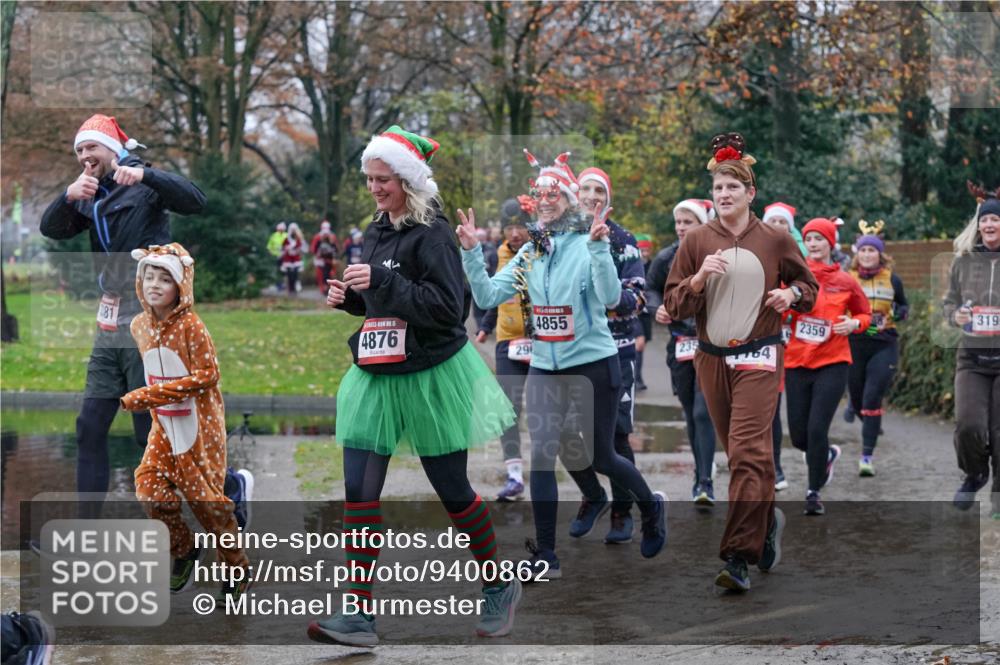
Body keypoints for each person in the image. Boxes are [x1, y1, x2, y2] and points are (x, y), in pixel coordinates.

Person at [309, 126, 520, 647]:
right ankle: (359, 613)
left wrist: (381, 282)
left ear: (407, 179)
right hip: (375, 374)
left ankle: (498, 583)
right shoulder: (375, 230)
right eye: (370, 179)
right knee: (359, 490)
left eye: (384, 179)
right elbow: (381, 301)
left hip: (431, 373)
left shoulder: (434, 234)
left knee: (451, 490)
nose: (375, 189)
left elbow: (450, 311)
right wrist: (352, 299)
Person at [459, 150, 667, 577]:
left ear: (569, 200)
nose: (546, 199)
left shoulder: (591, 239)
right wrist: (469, 253)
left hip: (593, 364)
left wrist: (597, 249)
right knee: (543, 456)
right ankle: (546, 557)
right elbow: (487, 297)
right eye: (540, 194)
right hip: (544, 366)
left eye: (555, 192)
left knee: (602, 457)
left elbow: (612, 299)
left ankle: (650, 506)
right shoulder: (532, 250)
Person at [38, 114, 215, 517]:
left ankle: (221, 493)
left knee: (149, 432)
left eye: (91, 148)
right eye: (79, 150)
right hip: (109, 322)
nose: (84, 156)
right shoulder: (89, 194)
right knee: (89, 426)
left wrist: (148, 178)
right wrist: (65, 197)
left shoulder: (141, 183)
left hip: (150, 320)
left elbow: (197, 201)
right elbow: (53, 229)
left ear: (112, 151)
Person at [664, 133, 818, 592]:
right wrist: (696, 280)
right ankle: (765, 522)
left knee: (749, 453)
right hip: (711, 359)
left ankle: (737, 558)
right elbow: (674, 306)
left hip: (760, 353)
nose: (724, 194)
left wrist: (790, 293)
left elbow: (809, 290)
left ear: (751, 193)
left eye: (733, 187)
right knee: (740, 455)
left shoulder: (775, 239)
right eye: (717, 188)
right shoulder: (695, 240)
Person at [120, 243, 252, 601]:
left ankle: (237, 566)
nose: (155, 285)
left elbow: (208, 375)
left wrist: (147, 396)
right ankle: (184, 549)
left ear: (181, 286)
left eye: (165, 278)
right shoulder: (139, 326)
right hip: (163, 429)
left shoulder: (192, 327)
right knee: (148, 489)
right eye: (149, 276)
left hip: (199, 430)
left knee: (208, 506)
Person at [558, 166, 649, 544]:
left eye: (599, 190)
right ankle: (592, 495)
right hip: (568, 352)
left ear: (607, 199)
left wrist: (604, 301)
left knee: (614, 437)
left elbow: (637, 298)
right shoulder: (558, 238)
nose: (592, 195)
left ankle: (622, 511)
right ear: (575, 196)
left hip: (615, 351)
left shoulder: (623, 240)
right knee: (561, 433)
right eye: (585, 189)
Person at [784, 218, 871, 516]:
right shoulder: (795, 276)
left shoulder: (845, 281)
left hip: (833, 363)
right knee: (798, 436)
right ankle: (828, 456)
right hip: (796, 361)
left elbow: (866, 315)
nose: (813, 244)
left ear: (831, 243)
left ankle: (813, 492)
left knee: (817, 429)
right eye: (808, 239)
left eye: (819, 239)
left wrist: (855, 323)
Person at [647, 198, 719, 505]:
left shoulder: (717, 255)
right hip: (679, 344)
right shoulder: (666, 258)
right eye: (678, 222)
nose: (680, 228)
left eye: (687, 222)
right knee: (691, 412)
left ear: (702, 224)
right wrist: (657, 308)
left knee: (704, 412)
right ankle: (701, 470)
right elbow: (650, 289)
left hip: (711, 344)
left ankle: (705, 481)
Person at [945, 182, 1000, 517]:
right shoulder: (963, 261)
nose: (989, 226)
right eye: (985, 221)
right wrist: (956, 315)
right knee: (969, 425)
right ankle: (975, 473)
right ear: (978, 225)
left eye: (995, 220)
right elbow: (948, 304)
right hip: (973, 358)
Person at [477, 198, 533, 502]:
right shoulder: (494, 256)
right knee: (508, 410)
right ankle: (514, 476)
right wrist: (485, 325)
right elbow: (493, 294)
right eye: (510, 227)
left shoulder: (541, 252)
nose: (515, 233)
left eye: (520, 227)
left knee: (544, 410)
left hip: (543, 343)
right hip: (507, 342)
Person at [845, 220, 909, 477]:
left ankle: (867, 456)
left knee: (872, 397)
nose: (867, 254)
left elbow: (904, 307)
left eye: (872, 250)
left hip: (883, 343)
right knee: (860, 399)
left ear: (880, 254)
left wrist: (899, 312)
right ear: (857, 254)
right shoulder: (846, 279)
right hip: (853, 344)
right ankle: (868, 417)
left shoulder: (892, 279)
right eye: (863, 250)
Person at [762, 201, 807, 491]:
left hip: (801, 348)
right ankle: (772, 467)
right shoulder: (758, 258)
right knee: (770, 410)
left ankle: (808, 452)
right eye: (773, 223)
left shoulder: (801, 261)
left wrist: (793, 295)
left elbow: (815, 299)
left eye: (783, 224)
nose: (778, 228)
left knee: (795, 415)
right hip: (769, 344)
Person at [633, 233, 655, 390]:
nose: (644, 254)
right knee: (638, 344)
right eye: (642, 250)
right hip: (635, 313)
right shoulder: (633, 265)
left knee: (642, 345)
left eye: (647, 250)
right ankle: (636, 379)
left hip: (647, 314)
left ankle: (637, 376)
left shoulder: (654, 266)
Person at [471, 227, 499, 331]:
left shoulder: (491, 248)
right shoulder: (471, 249)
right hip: (477, 282)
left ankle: (485, 327)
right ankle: (480, 327)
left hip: (489, 280)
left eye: (481, 237)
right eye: (478, 237)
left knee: (488, 304)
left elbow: (495, 264)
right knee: (478, 305)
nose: (480, 238)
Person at [310, 220, 340, 290]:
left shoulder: (332, 236)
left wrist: (334, 256)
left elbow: (336, 248)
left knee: (331, 274)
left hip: (330, 260)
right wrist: (318, 254)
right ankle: (322, 288)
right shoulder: (317, 237)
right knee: (321, 274)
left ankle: (331, 288)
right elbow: (313, 249)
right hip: (320, 260)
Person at [281, 222, 306, 294]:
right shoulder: (286, 239)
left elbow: (302, 248)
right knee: (289, 275)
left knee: (295, 274)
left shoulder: (299, 239)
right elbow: (283, 248)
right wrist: (287, 249)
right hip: (288, 259)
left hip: (296, 259)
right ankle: (290, 288)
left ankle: (294, 287)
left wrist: (298, 250)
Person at [267, 221, 288, 291]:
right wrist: (271, 253)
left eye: (282, 229)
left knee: (284, 271)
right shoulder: (274, 236)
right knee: (278, 271)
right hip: (276, 257)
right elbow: (269, 246)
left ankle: (285, 285)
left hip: (285, 257)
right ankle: (278, 285)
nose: (280, 230)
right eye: (279, 229)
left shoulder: (286, 235)